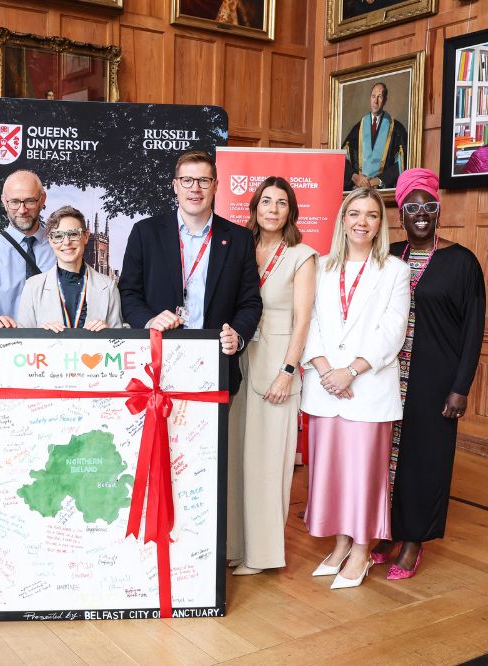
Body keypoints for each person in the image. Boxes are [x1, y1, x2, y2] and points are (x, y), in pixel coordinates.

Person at [370, 168, 486, 579]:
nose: (421, 214)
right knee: (386, 457)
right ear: (400, 214)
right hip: (386, 376)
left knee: (425, 460)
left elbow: (473, 330)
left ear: (438, 211)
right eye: (412, 208)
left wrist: (460, 387)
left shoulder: (462, 262)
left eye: (429, 206)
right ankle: (388, 531)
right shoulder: (388, 256)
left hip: (434, 380)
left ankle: (414, 541)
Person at [300, 187, 410, 590]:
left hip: (367, 388)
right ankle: (341, 543)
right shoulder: (320, 265)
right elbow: (308, 321)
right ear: (342, 220)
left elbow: (392, 331)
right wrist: (326, 370)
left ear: (380, 224)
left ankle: (362, 550)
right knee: (331, 473)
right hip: (325, 387)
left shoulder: (395, 270)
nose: (362, 222)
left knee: (364, 475)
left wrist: (351, 371)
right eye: (355, 213)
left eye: (372, 215)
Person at [226, 177, 316, 576]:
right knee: (235, 460)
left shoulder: (302, 256)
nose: (273, 210)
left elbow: (303, 321)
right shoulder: (239, 247)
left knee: (267, 465)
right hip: (238, 361)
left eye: (281, 203)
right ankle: (233, 546)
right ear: (255, 207)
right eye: (266, 201)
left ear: (291, 211)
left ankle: (262, 556)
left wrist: (288, 371)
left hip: (277, 366)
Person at [119, 149, 263, 392]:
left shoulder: (240, 239)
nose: (195, 188)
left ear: (215, 186)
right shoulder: (145, 233)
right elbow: (129, 293)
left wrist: (237, 335)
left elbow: (250, 302)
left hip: (216, 366)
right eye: (187, 180)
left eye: (203, 181)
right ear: (175, 186)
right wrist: (149, 320)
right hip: (157, 364)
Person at [0, 170, 56, 328]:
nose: (22, 210)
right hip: (7, 339)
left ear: (42, 199)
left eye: (30, 201)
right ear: (4, 201)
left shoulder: (60, 247)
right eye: (14, 202)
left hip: (55, 339)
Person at [16, 205, 122, 331]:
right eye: (58, 236)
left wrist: (108, 334)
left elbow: (118, 340)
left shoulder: (109, 287)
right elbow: (23, 340)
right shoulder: (32, 286)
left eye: (73, 234)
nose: (66, 242)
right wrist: (40, 335)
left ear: (86, 236)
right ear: (50, 240)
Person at [342, 82, 408, 190]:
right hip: (359, 190)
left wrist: (378, 180)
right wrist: (355, 177)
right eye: (373, 96)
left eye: (379, 97)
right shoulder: (358, 129)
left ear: (385, 100)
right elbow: (342, 159)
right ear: (370, 98)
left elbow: (402, 163)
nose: (375, 101)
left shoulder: (397, 129)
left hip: (383, 191)